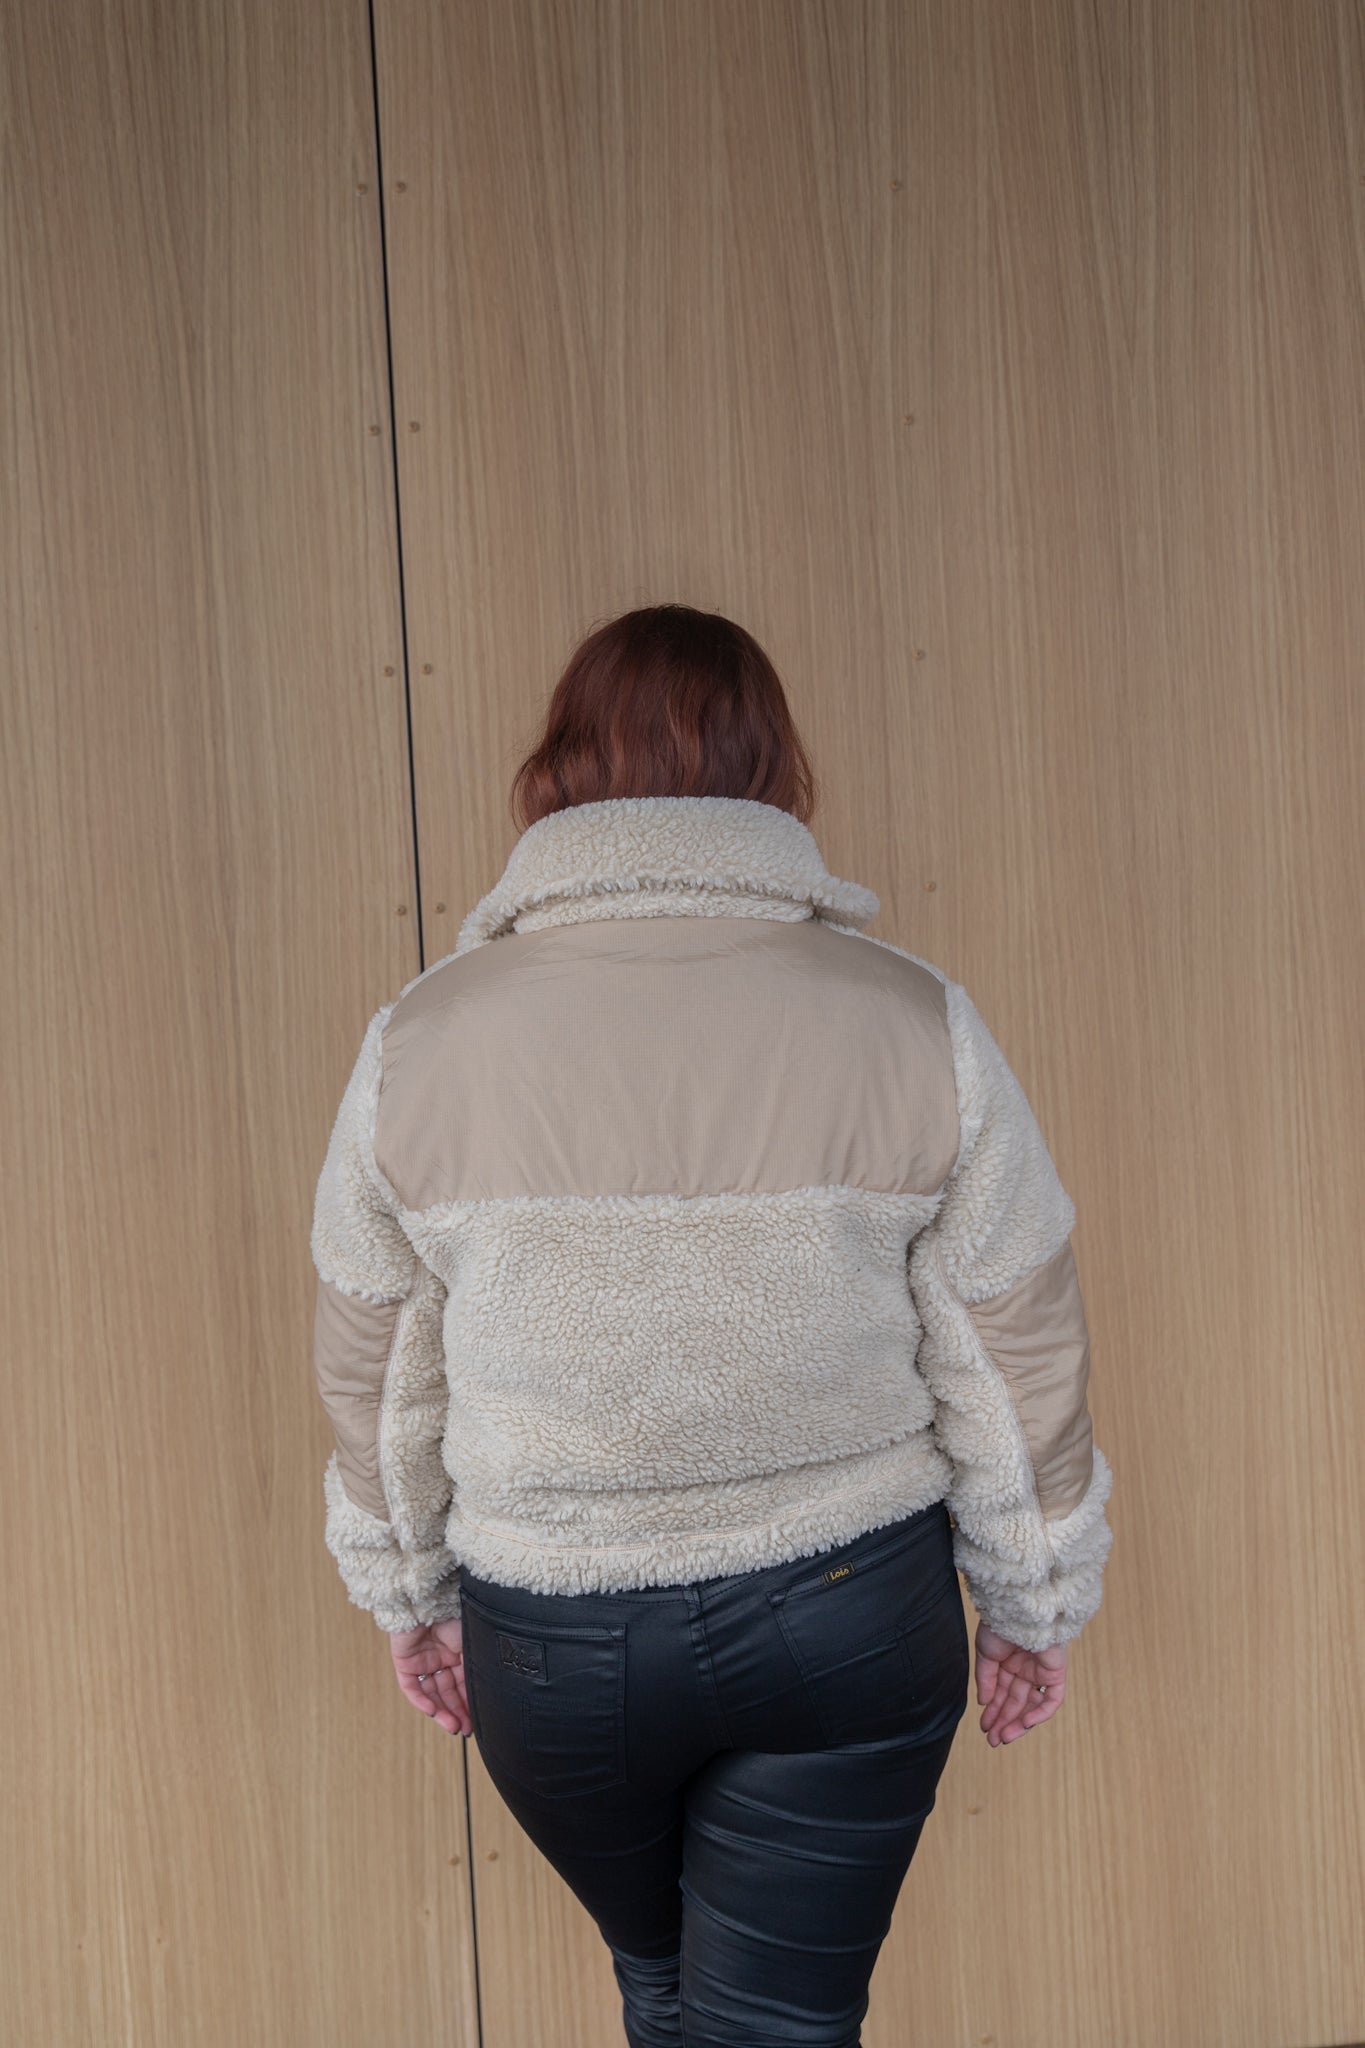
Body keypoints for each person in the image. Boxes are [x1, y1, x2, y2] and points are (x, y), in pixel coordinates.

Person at [309, 603, 1115, 2048]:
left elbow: (379, 1368)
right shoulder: (909, 1018)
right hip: (847, 1611)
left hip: (551, 1635)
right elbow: (1011, 1350)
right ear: (770, 769)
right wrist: (1032, 1595)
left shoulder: (421, 1040)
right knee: (753, 2021)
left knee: (671, 1994)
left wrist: (408, 1593)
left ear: (559, 772)